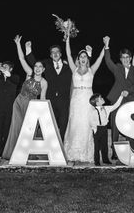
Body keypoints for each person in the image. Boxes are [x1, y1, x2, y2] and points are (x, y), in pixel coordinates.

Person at [1, 36, 47, 160]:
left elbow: (42, 99)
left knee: (27, 130)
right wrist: (17, 44)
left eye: (40, 67)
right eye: (36, 66)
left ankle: (27, 153)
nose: (37, 68)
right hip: (19, 102)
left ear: (43, 69)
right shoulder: (29, 73)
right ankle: (13, 152)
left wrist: (40, 114)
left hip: (30, 106)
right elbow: (21, 58)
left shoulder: (44, 82)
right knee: (16, 127)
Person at [63, 34, 106, 163]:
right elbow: (68, 54)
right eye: (81, 56)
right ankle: (71, 153)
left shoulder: (92, 70)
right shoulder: (74, 69)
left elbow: (100, 57)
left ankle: (86, 153)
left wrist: (106, 45)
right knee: (75, 124)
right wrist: (67, 38)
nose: (83, 58)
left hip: (88, 100)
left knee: (86, 125)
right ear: (78, 59)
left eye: (85, 57)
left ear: (87, 59)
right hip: (76, 100)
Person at [26, 43, 72, 139]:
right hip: (50, 100)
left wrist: (88, 54)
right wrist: (28, 48)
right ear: (50, 55)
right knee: (49, 124)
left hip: (64, 100)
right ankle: (50, 146)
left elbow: (82, 66)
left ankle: (62, 148)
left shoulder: (69, 65)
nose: (55, 54)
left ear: (60, 54)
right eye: (52, 52)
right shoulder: (46, 64)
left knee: (63, 125)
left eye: (57, 52)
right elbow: (33, 62)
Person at [0, 61, 20, 156]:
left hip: (10, 107)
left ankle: (6, 150)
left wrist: (3, 70)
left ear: (11, 69)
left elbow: (14, 80)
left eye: (6, 66)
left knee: (7, 129)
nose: (3, 68)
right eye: (3, 66)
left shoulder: (15, 77)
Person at [88, 92, 127, 165]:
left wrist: (121, 96)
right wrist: (94, 129)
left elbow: (116, 105)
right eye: (100, 98)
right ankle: (97, 161)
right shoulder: (93, 111)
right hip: (97, 129)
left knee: (104, 145)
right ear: (97, 103)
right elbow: (91, 121)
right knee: (97, 147)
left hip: (104, 128)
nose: (102, 98)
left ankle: (105, 159)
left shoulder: (106, 108)